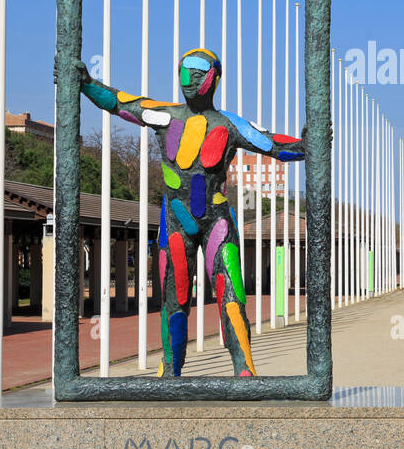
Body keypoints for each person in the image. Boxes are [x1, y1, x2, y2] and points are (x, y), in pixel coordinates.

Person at [70, 48, 303, 377]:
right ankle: (170, 371)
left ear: (214, 79)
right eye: (184, 74)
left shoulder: (228, 125)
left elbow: (270, 143)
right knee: (174, 298)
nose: (189, 82)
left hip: (216, 221)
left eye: (197, 75)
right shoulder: (165, 115)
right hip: (175, 221)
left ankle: (245, 370)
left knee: (231, 293)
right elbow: (120, 103)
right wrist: (86, 83)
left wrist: (306, 146)